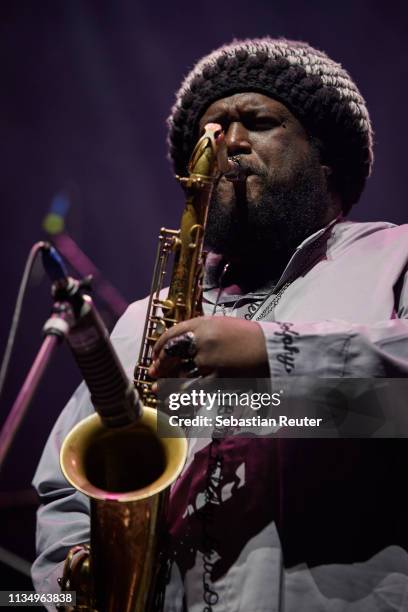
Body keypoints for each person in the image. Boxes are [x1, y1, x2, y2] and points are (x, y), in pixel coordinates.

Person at [32, 38, 408, 611]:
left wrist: (268, 352)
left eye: (257, 121)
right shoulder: (139, 321)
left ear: (326, 155)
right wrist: (73, 574)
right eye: (211, 129)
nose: (229, 142)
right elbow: (68, 486)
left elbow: (396, 410)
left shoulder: (395, 257)